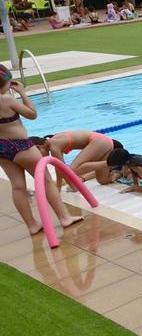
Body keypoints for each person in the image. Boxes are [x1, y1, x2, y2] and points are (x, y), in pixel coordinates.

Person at [0, 66, 83, 235]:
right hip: (21, 145)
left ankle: (32, 225)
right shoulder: (6, 99)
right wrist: (22, 93)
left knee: (17, 187)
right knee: (45, 181)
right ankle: (64, 218)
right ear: (7, 82)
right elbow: (32, 114)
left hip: (2, 148)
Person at [31, 130, 120, 183]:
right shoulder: (53, 141)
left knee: (73, 170)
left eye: (38, 154)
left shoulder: (54, 146)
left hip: (100, 142)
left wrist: (60, 189)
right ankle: (117, 172)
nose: (40, 157)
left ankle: (114, 161)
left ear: (39, 147)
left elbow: (62, 170)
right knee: (103, 180)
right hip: (104, 142)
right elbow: (60, 171)